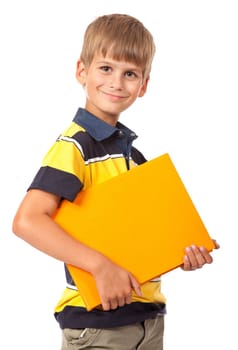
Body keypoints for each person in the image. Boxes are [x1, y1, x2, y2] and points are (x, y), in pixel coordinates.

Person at [12, 13, 219, 350]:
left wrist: (182, 251)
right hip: (98, 323)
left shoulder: (134, 159)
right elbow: (27, 221)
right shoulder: (75, 146)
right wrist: (99, 266)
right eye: (105, 68)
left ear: (144, 85)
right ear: (82, 71)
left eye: (130, 74)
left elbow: (136, 239)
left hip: (147, 320)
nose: (117, 83)